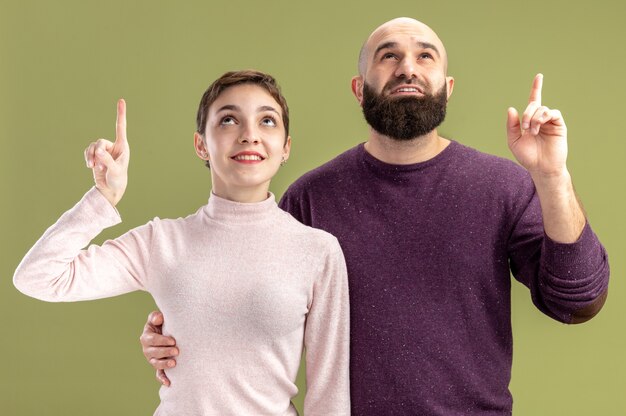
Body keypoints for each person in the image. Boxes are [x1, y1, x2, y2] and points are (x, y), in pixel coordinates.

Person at [141, 18, 610, 415]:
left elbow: (577, 302)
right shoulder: (310, 200)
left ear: (447, 89)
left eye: (426, 56)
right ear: (358, 89)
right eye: (388, 56)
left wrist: (551, 175)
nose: (408, 66)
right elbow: (251, 313)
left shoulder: (503, 187)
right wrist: (177, 330)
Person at [13, 70, 350, 415]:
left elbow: (330, 395)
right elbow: (38, 277)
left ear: (286, 148)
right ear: (201, 145)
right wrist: (103, 196)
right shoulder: (161, 242)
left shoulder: (317, 251)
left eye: (266, 121)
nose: (249, 135)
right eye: (229, 120)